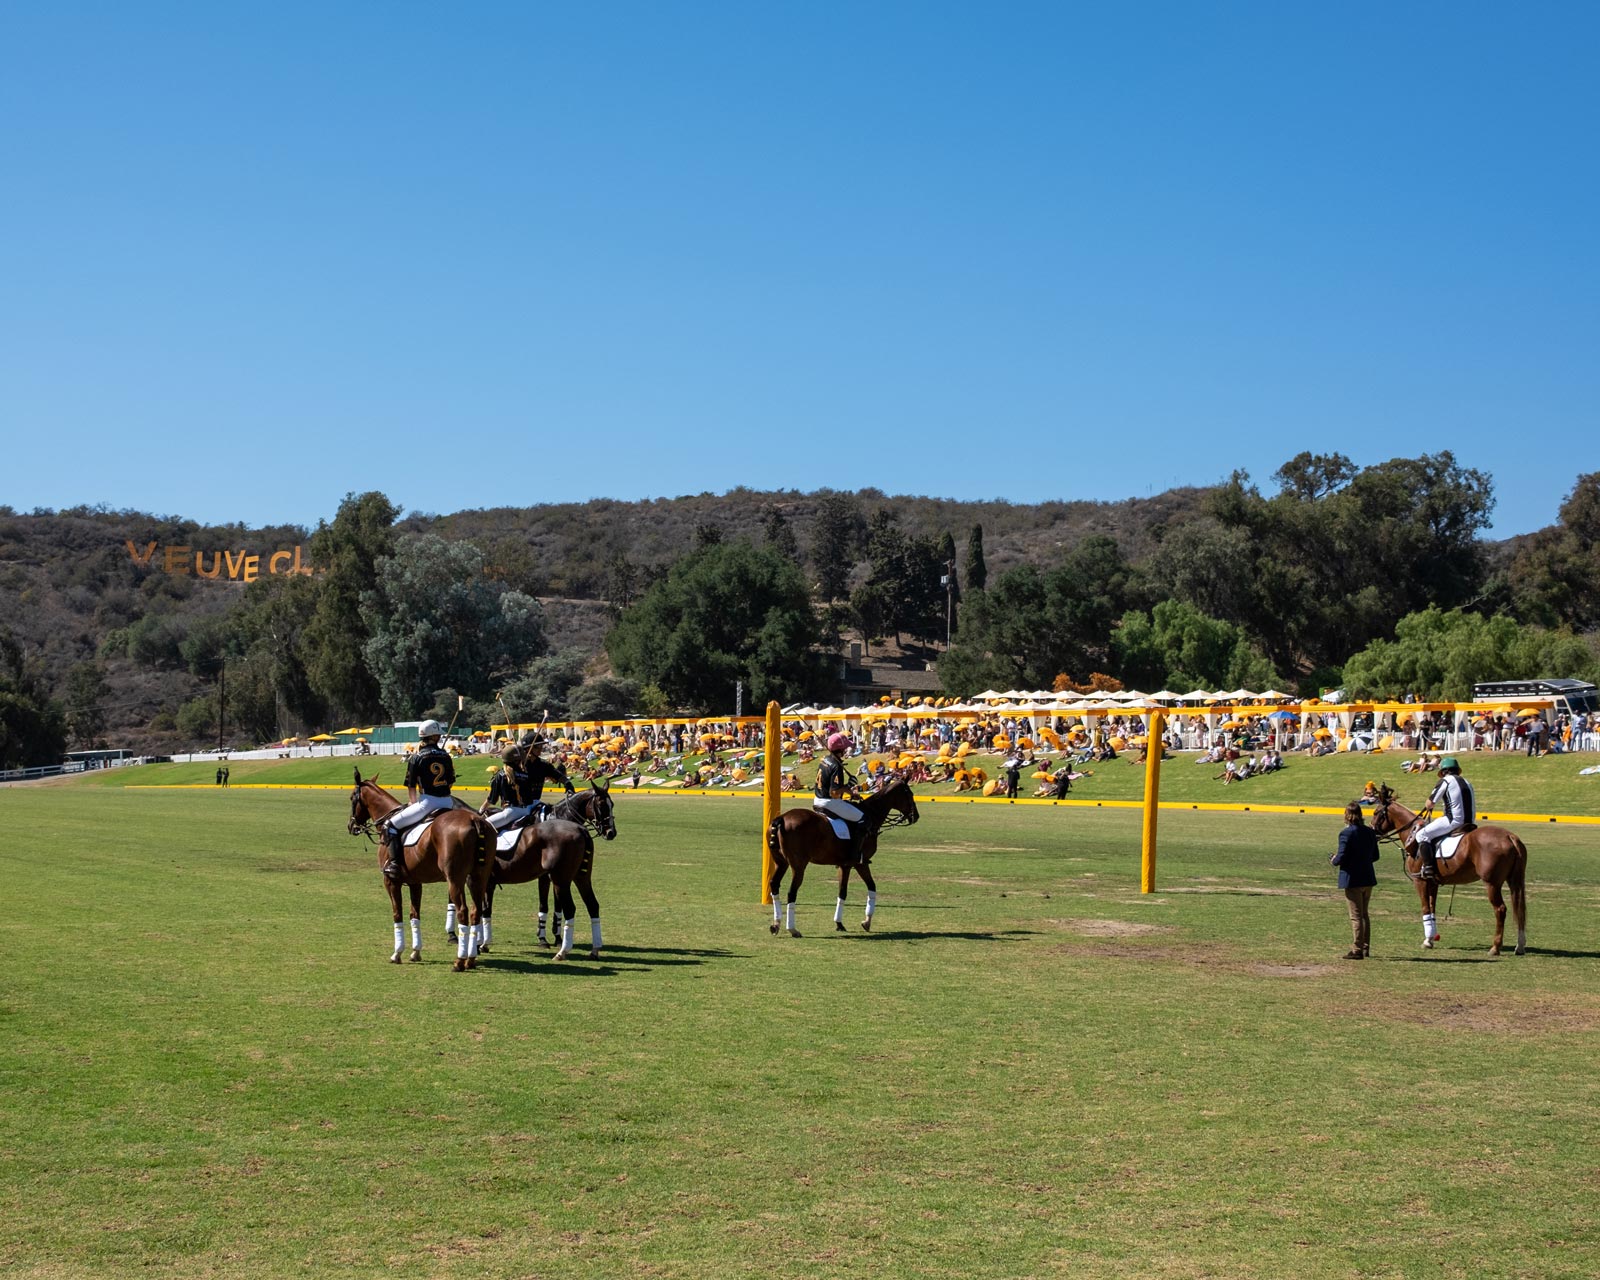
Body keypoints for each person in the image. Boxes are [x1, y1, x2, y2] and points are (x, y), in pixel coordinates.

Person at [382, 721, 457, 879]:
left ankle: (395, 864)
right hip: (449, 802)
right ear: (435, 736)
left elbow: (411, 785)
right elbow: (450, 781)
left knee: (390, 825)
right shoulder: (446, 756)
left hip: (427, 803)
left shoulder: (416, 757)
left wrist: (412, 802)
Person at [1330, 800, 1380, 959]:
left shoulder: (1346, 833)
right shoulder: (1370, 832)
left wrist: (1333, 860)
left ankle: (1357, 949)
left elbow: (1341, 857)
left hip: (1352, 879)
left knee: (1356, 915)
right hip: (1367, 877)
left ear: (1347, 815)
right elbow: (1375, 856)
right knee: (1364, 914)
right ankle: (1365, 947)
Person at [1414, 755, 1475, 882]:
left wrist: (1427, 807)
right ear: (1457, 770)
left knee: (1422, 835)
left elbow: (1430, 803)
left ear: (1443, 772)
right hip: (1471, 822)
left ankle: (1428, 867)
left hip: (1453, 821)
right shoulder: (1468, 782)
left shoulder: (1446, 781)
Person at [813, 732, 866, 865]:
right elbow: (835, 792)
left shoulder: (825, 759)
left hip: (817, 799)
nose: (846, 750)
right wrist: (849, 785)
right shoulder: (836, 766)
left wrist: (850, 791)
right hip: (829, 802)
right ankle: (854, 855)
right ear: (841, 749)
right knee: (863, 818)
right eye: (844, 748)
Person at [481, 746, 537, 833]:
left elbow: (492, 799)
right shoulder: (526, 775)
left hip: (510, 813)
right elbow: (530, 798)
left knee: (482, 825)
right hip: (527, 811)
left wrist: (481, 809)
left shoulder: (501, 775)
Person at [519, 734, 576, 809]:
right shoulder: (518, 765)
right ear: (528, 748)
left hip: (535, 804)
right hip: (518, 806)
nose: (540, 749)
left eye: (541, 746)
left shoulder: (543, 765)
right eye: (537, 746)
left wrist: (567, 783)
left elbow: (559, 776)